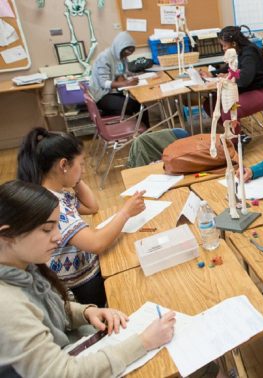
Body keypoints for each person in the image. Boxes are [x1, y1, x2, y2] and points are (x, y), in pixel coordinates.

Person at [0, 179, 176, 377]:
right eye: (47, 229)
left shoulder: (24, 263)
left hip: (76, 347)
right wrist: (143, 342)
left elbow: (48, 309)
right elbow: (62, 373)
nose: (58, 237)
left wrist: (86, 312)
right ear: (7, 235)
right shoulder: (7, 307)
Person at [17, 128, 146, 307]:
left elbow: (91, 207)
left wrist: (75, 178)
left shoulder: (53, 192)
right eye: (81, 164)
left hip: (85, 272)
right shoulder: (53, 205)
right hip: (82, 285)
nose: (84, 170)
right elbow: (95, 243)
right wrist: (126, 212)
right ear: (63, 165)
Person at [201, 26, 263, 144]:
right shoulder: (238, 52)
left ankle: (235, 144)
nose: (223, 49)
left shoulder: (249, 53)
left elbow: (245, 79)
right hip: (247, 90)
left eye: (224, 45)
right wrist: (212, 73)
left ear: (234, 43)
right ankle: (237, 134)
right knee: (210, 103)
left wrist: (229, 77)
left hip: (262, 92)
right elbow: (229, 67)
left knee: (229, 108)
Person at [88, 31, 149, 127]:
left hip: (114, 92)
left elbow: (122, 73)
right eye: (127, 50)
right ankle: (131, 130)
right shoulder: (104, 57)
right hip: (102, 95)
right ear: (119, 47)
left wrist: (131, 77)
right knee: (130, 106)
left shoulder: (121, 57)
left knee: (141, 105)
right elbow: (104, 83)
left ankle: (146, 132)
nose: (128, 54)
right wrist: (126, 83)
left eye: (131, 51)